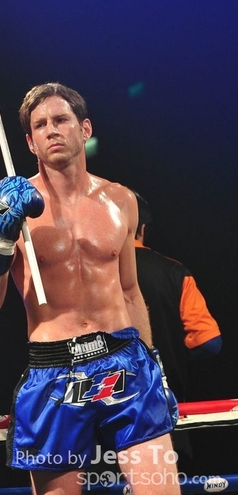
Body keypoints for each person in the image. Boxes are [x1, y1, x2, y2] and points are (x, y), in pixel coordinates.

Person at [0, 82, 181, 495]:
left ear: (85, 129)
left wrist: (153, 363)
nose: (51, 129)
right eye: (40, 125)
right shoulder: (11, 209)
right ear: (30, 143)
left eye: (61, 119)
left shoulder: (121, 200)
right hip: (53, 371)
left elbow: (130, 292)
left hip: (125, 362)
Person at [133, 191, 222, 471]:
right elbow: (209, 342)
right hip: (164, 413)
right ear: (143, 228)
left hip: (100, 417)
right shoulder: (174, 272)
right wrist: (173, 352)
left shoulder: (88, 275)